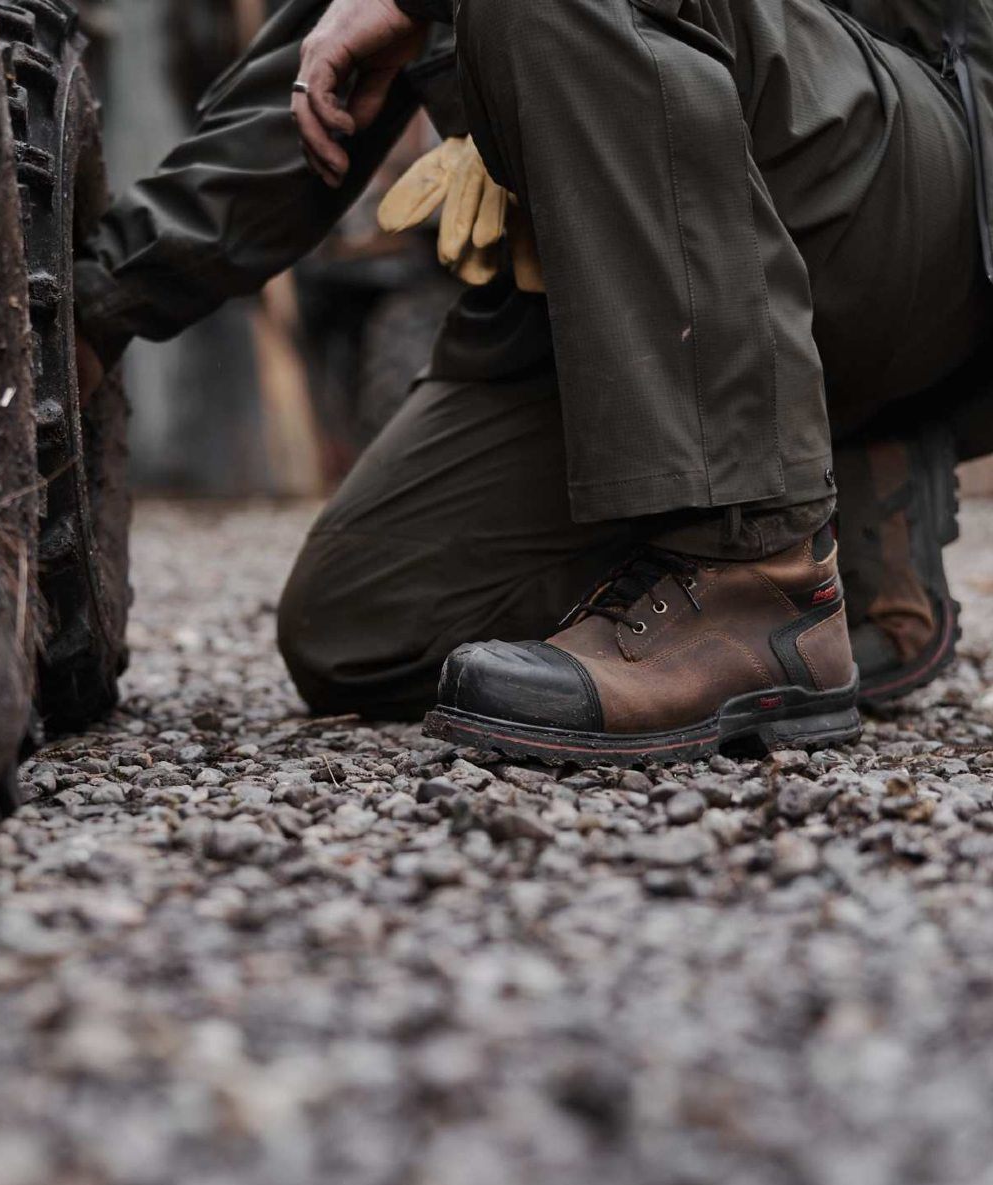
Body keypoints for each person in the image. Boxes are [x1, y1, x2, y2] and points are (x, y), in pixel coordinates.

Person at [76, 0, 993, 764]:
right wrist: (101, 304)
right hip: (652, 248)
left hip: (910, 162)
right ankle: (836, 456)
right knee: (362, 627)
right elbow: (325, 67)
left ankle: (758, 568)